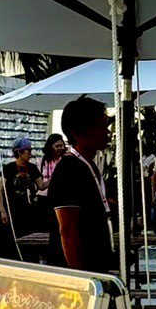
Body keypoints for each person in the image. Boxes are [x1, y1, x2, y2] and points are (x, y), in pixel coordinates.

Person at [45, 96, 116, 273]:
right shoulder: (68, 170)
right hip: (78, 275)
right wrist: (80, 277)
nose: (107, 132)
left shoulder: (89, 165)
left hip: (95, 266)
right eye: (102, 126)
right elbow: (68, 230)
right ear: (80, 132)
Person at [1, 137, 41, 230]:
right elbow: (0, 191)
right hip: (12, 210)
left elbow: (41, 185)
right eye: (28, 151)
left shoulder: (33, 168)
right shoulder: (9, 168)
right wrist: (2, 211)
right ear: (19, 152)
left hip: (30, 211)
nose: (30, 154)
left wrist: (55, 176)